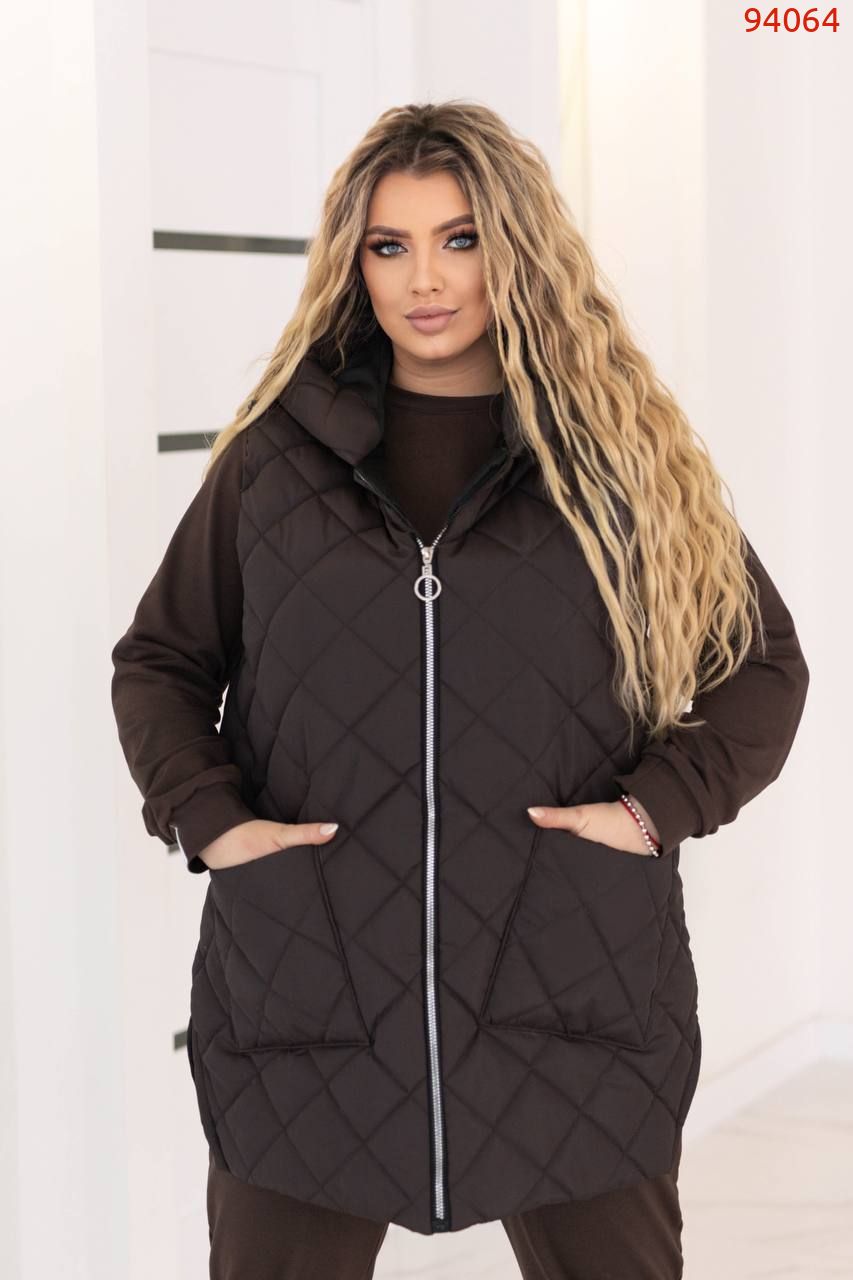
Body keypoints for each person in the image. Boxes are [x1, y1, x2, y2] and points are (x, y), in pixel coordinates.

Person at [110, 100, 809, 1278]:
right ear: (355, 263)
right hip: (310, 989)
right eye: (389, 245)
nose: (423, 279)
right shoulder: (275, 462)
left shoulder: (616, 464)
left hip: (571, 985)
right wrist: (212, 820)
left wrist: (652, 811)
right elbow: (162, 660)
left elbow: (760, 664)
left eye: (460, 239)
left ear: (516, 249)